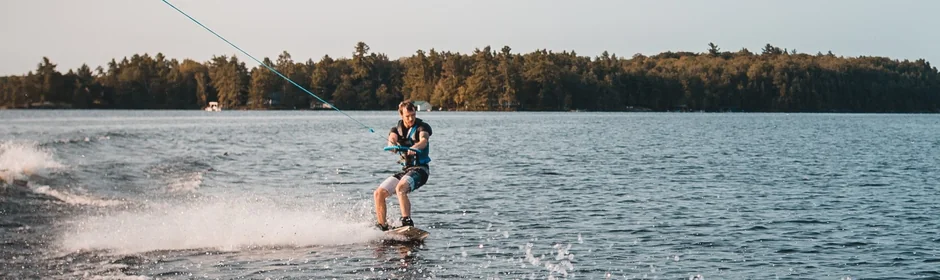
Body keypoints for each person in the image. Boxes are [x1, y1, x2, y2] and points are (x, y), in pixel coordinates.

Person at [374, 100, 432, 231]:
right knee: (379, 193)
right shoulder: (396, 130)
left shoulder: (423, 127)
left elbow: (424, 140)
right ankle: (382, 226)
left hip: (421, 171)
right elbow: (392, 139)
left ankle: (407, 222)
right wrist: (392, 146)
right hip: (406, 171)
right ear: (401, 115)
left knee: (401, 188)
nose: (411, 118)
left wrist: (415, 147)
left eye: (413, 115)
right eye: (407, 116)